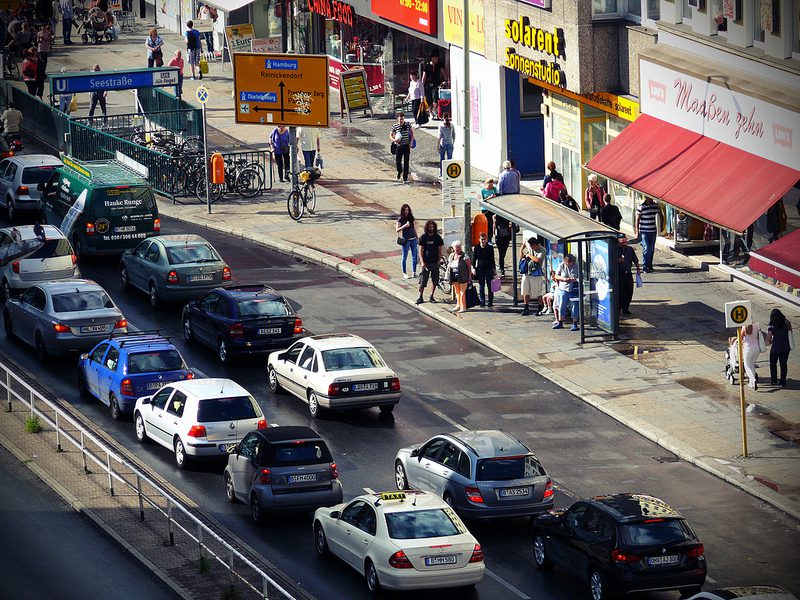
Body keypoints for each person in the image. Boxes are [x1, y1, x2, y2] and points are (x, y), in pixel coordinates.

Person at [416, 219, 443, 305]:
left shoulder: (437, 237)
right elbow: (420, 250)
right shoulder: (423, 237)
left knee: (435, 280)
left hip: (435, 262)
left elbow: (440, 250)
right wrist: (422, 261)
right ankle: (420, 296)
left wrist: (439, 260)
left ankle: (431, 296)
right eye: (430, 227)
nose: (431, 228)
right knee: (423, 281)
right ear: (427, 228)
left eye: (432, 227)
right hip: (426, 263)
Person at [553, 253, 579, 331]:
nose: (568, 264)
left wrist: (575, 279)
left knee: (574, 306)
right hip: (563, 288)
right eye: (567, 262)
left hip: (574, 288)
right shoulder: (561, 265)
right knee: (561, 305)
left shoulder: (576, 266)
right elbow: (556, 276)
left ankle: (574, 323)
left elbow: (580, 276)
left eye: (570, 262)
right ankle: (560, 322)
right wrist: (564, 279)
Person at [767, 309, 792, 387]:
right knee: (783, 364)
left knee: (773, 364)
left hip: (775, 348)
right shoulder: (787, 322)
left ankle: (774, 380)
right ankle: (782, 381)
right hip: (786, 347)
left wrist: (770, 342)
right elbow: (790, 332)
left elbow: (768, 337)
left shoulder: (772, 325)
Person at [519, 237, 544, 316]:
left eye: (532, 246)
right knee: (525, 290)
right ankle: (526, 307)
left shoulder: (542, 250)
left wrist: (529, 255)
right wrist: (521, 249)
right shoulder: (530, 248)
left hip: (535, 273)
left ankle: (540, 307)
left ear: (536, 245)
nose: (531, 248)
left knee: (537, 291)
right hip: (526, 272)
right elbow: (522, 257)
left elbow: (537, 260)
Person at [635, 196, 660, 273]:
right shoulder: (641, 207)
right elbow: (637, 220)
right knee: (646, 248)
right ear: (646, 197)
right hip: (644, 231)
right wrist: (637, 232)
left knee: (651, 249)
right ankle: (645, 266)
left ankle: (649, 265)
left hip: (653, 230)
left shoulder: (655, 206)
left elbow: (660, 214)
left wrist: (662, 225)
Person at [617, 235, 640, 316]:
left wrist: (638, 267)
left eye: (625, 241)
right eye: (622, 242)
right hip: (619, 274)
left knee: (629, 291)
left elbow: (635, 259)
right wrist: (618, 260)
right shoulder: (615, 250)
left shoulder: (629, 249)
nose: (624, 243)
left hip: (628, 273)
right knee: (621, 293)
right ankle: (619, 308)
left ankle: (625, 308)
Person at [472, 232, 496, 307]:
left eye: (484, 239)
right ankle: (482, 301)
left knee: (490, 285)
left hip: (489, 269)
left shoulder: (490, 248)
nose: (483, 241)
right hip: (480, 269)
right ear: (479, 239)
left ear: (486, 240)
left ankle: (490, 301)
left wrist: (494, 269)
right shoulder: (476, 248)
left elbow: (493, 259)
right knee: (481, 286)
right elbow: (474, 259)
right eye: (481, 239)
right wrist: (473, 268)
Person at [447, 240, 471, 313]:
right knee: (457, 291)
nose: (457, 249)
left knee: (462, 291)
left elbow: (469, 266)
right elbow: (449, 265)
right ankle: (458, 305)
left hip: (463, 276)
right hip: (454, 276)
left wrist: (469, 275)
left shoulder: (464, 256)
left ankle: (463, 307)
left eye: (458, 247)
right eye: (456, 248)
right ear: (453, 248)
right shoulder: (452, 255)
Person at [389, 113, 413, 184]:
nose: (401, 121)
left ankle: (405, 177)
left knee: (406, 162)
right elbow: (390, 135)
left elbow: (412, 133)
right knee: (398, 161)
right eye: (400, 119)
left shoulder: (408, 124)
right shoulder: (395, 126)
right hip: (398, 146)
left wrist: (411, 141)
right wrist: (394, 140)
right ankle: (399, 171)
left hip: (406, 146)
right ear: (397, 119)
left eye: (402, 119)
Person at [396, 203, 418, 279]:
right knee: (404, 256)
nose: (406, 211)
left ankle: (414, 272)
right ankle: (404, 272)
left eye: (408, 210)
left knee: (414, 256)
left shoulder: (411, 218)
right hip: (406, 240)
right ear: (403, 211)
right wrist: (405, 226)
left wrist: (417, 237)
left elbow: (414, 228)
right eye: (405, 210)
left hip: (413, 239)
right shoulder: (400, 219)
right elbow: (397, 229)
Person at [740, 322, 762, 390]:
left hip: (748, 349)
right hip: (757, 349)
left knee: (747, 366)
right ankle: (751, 383)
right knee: (752, 364)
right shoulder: (757, 325)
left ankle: (753, 379)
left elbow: (740, 338)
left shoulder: (744, 327)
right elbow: (759, 335)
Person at [480, 177, 498, 243]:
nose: (491, 186)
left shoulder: (494, 189)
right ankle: (487, 239)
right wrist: (489, 198)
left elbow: (498, 195)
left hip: (493, 208)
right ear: (486, 184)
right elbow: (481, 200)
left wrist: (495, 196)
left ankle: (491, 238)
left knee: (493, 223)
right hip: (485, 209)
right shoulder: (482, 190)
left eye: (492, 185)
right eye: (489, 185)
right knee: (487, 224)